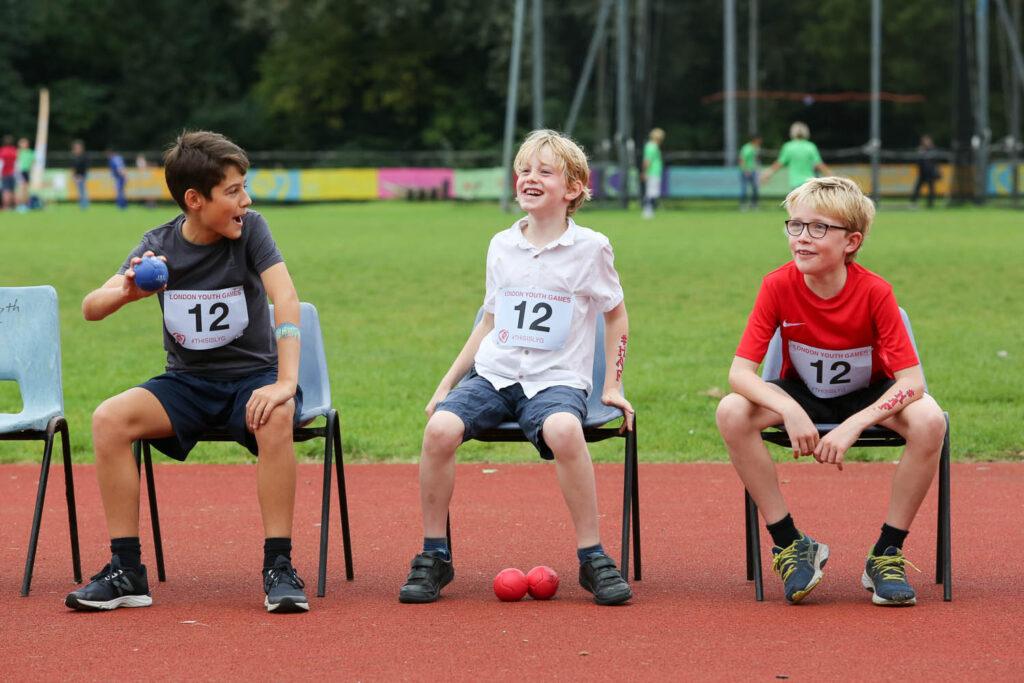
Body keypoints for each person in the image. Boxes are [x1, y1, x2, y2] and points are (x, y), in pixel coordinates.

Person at [66, 131, 310, 614]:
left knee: (277, 416)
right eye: (234, 191)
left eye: (245, 187)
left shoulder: (252, 230)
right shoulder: (157, 246)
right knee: (109, 419)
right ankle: (126, 570)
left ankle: (278, 566)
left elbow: (285, 298)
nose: (247, 199)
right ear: (194, 200)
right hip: (187, 384)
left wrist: (284, 384)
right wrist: (128, 292)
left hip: (253, 378)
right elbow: (91, 307)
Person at [399, 129, 635, 606]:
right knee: (440, 430)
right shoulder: (501, 245)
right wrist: (447, 383)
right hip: (494, 375)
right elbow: (488, 320)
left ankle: (593, 558)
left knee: (567, 431)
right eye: (524, 170)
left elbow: (616, 314)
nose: (530, 178)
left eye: (545, 172)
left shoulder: (592, 248)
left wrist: (612, 384)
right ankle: (434, 556)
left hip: (556, 382)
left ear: (573, 188)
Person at [715, 176, 947, 606]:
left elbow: (912, 382)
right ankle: (790, 543)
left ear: (851, 241)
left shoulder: (876, 292)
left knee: (930, 419)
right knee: (731, 411)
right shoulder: (777, 285)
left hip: (868, 395)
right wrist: (788, 407)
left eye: (818, 228)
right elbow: (740, 374)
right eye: (795, 225)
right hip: (802, 393)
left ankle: (886, 553)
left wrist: (854, 425)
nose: (802, 238)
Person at [761, 122, 831, 190]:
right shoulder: (811, 146)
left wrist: (767, 174)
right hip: (809, 184)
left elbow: (779, 164)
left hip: (795, 184)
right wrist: (831, 177)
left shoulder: (788, 147)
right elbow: (820, 165)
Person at [910, 135, 940, 208]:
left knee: (931, 189)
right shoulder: (921, 150)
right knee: (917, 188)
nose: (926, 142)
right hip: (922, 173)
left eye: (927, 141)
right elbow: (918, 162)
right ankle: (914, 203)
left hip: (930, 173)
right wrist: (920, 153)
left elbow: (936, 161)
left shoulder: (933, 149)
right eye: (924, 141)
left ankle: (931, 204)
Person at [641, 127, 665, 219]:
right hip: (652, 172)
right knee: (651, 192)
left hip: (655, 172)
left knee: (652, 192)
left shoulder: (653, 146)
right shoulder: (652, 147)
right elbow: (647, 161)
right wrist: (644, 172)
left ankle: (649, 210)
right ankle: (647, 210)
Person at [738, 134, 762, 210]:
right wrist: (745, 169)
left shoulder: (756, 148)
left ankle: (754, 204)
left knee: (755, 188)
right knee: (744, 189)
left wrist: (758, 169)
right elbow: (741, 160)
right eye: (759, 140)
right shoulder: (747, 148)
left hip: (754, 171)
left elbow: (755, 159)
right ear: (755, 140)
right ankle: (743, 205)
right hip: (746, 171)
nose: (760, 141)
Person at [15, 137, 35, 211]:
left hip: (27, 172)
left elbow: (33, 163)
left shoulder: (31, 152)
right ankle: (19, 205)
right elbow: (16, 162)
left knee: (26, 189)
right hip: (20, 172)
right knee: (21, 188)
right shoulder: (18, 152)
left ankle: (25, 205)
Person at [0, 135, 17, 210]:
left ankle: (6, 206)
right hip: (13, 173)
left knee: (6, 190)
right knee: (12, 190)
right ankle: (12, 206)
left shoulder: (2, 151)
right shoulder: (14, 150)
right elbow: (17, 163)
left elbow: (1, 163)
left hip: (5, 173)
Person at [71, 140, 89, 210]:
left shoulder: (83, 157)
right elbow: (74, 168)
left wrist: (81, 176)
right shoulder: (75, 157)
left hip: (82, 176)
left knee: (82, 191)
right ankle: (82, 205)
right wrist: (74, 176)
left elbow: (85, 167)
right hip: (77, 176)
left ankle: (84, 205)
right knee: (80, 191)